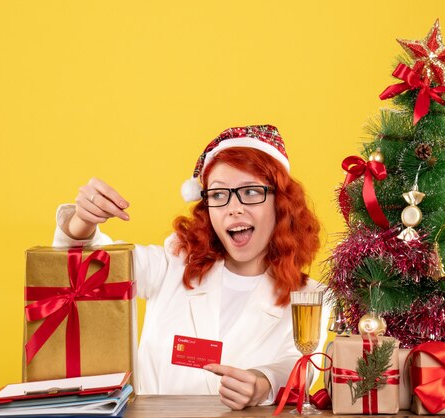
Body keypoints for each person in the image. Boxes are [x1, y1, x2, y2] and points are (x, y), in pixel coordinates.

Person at [52, 125, 328, 410]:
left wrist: (263, 383)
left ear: (281, 203)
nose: (233, 208)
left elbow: (301, 365)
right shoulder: (172, 265)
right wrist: (83, 222)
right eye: (219, 195)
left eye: (250, 191)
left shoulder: (309, 295)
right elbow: (82, 272)